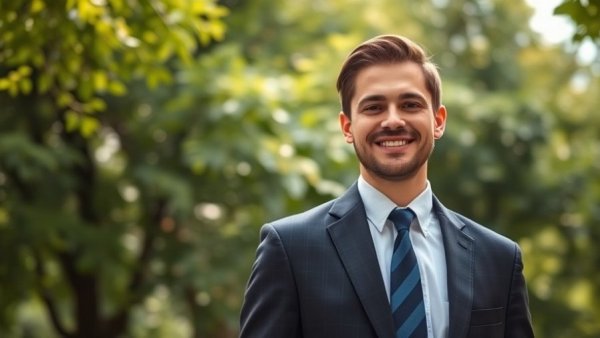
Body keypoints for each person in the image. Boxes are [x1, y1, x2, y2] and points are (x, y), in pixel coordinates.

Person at [239, 34, 534, 338]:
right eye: (373, 107)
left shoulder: (498, 258)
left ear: (438, 121)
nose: (393, 120)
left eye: (410, 104)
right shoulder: (290, 249)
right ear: (347, 127)